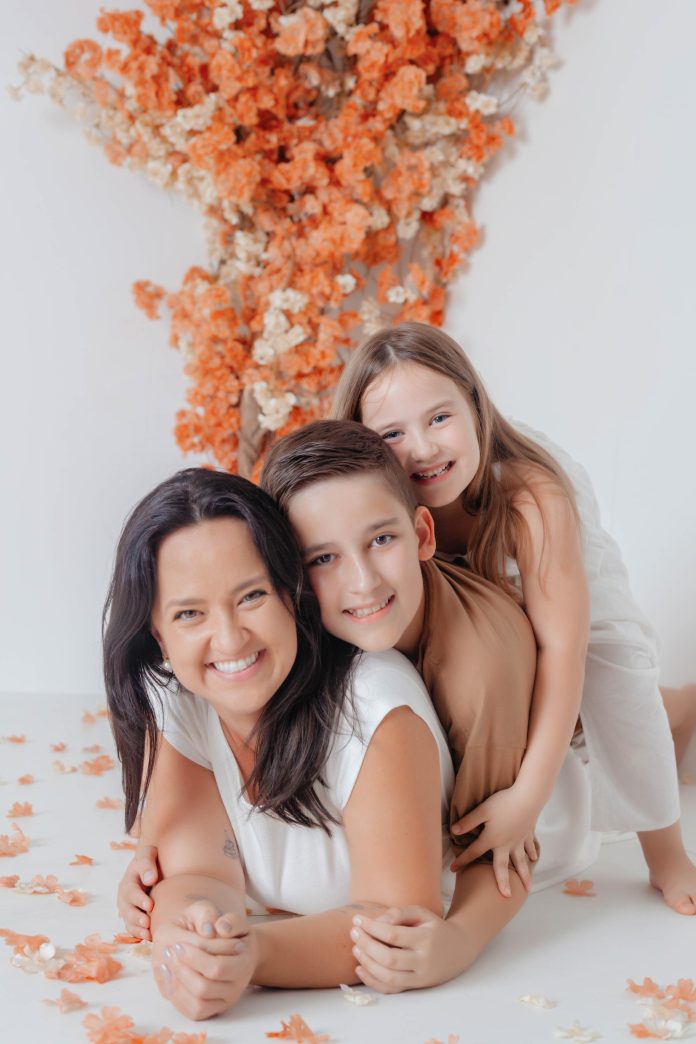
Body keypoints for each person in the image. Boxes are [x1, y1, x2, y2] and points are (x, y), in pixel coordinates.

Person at [120, 423, 597, 993]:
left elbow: (475, 866)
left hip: (524, 810)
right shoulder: (195, 689)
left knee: (613, 715)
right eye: (323, 557)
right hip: (433, 747)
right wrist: (182, 919)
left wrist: (463, 938)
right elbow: (199, 866)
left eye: (250, 595)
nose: (361, 582)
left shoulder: (457, 674)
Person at [332, 320, 696, 921]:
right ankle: (679, 709)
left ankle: (666, 850)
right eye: (392, 433)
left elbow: (563, 650)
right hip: (470, 584)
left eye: (439, 418)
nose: (422, 448)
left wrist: (528, 798)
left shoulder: (533, 495)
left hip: (550, 553)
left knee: (613, 676)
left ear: (476, 407)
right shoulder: (379, 499)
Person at [104, 467, 455, 1019]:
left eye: (251, 596)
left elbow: (397, 923)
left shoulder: (376, 706)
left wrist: (251, 955)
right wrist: (191, 939)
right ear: (157, 633)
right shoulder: (179, 701)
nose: (229, 639)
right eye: (189, 614)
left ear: (291, 593)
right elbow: (198, 875)